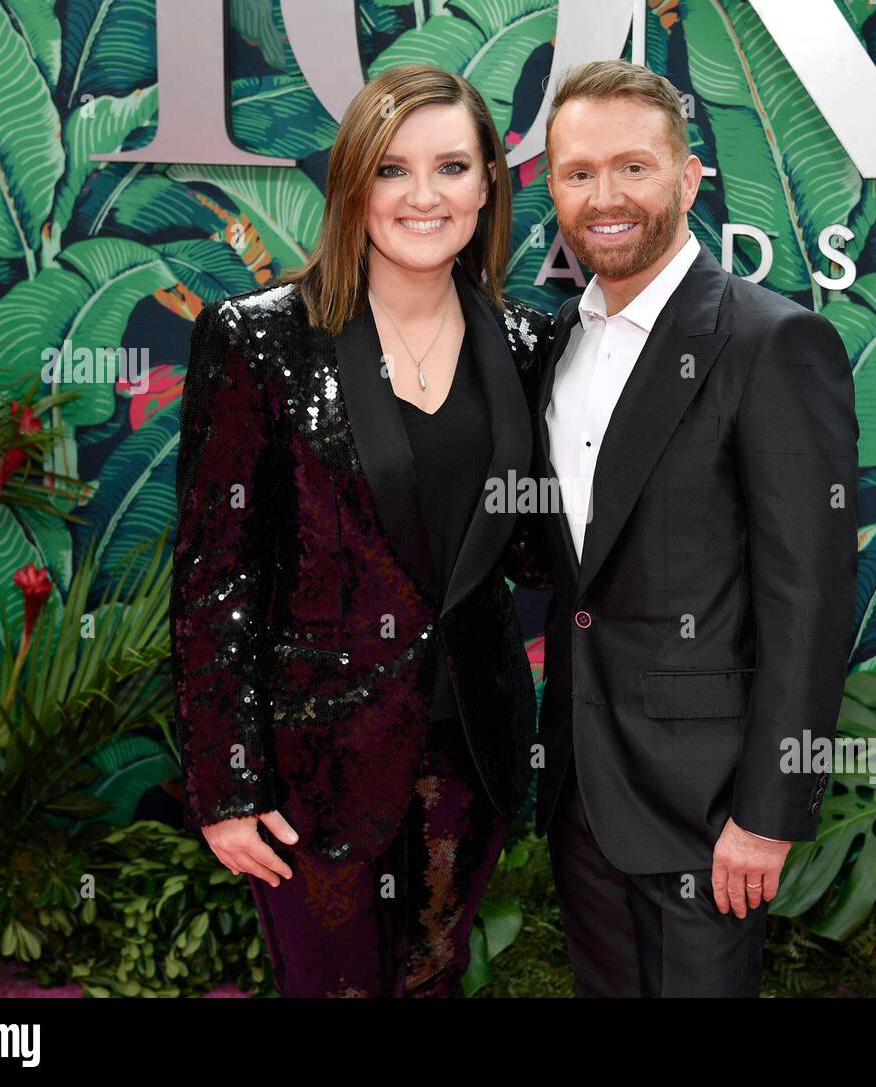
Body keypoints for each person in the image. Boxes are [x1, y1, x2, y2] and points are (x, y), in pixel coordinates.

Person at [169, 64, 553, 997]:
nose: (424, 196)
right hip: (311, 763)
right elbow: (216, 576)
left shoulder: (529, 342)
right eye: (393, 169)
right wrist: (227, 787)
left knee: (434, 980)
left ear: (489, 183)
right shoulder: (259, 338)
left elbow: (535, 547)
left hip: (470, 749)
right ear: (353, 184)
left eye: (453, 166)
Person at [530, 60, 859, 997]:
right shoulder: (557, 341)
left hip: (707, 810)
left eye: (634, 167)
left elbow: (811, 596)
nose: (606, 197)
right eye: (578, 172)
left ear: (688, 178)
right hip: (584, 789)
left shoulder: (770, 341)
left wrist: (768, 814)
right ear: (551, 186)